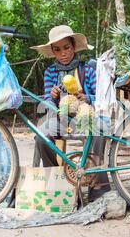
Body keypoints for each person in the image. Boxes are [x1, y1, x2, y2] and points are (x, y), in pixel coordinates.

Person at [30, 25, 110, 201]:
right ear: (52, 51)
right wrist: (52, 97)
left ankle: (98, 185)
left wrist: (85, 97)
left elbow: (99, 97)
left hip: (86, 115)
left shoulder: (87, 69)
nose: (63, 53)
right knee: (41, 136)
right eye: (57, 50)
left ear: (73, 47)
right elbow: (47, 104)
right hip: (61, 118)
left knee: (99, 131)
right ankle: (57, 180)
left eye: (66, 47)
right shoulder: (50, 72)